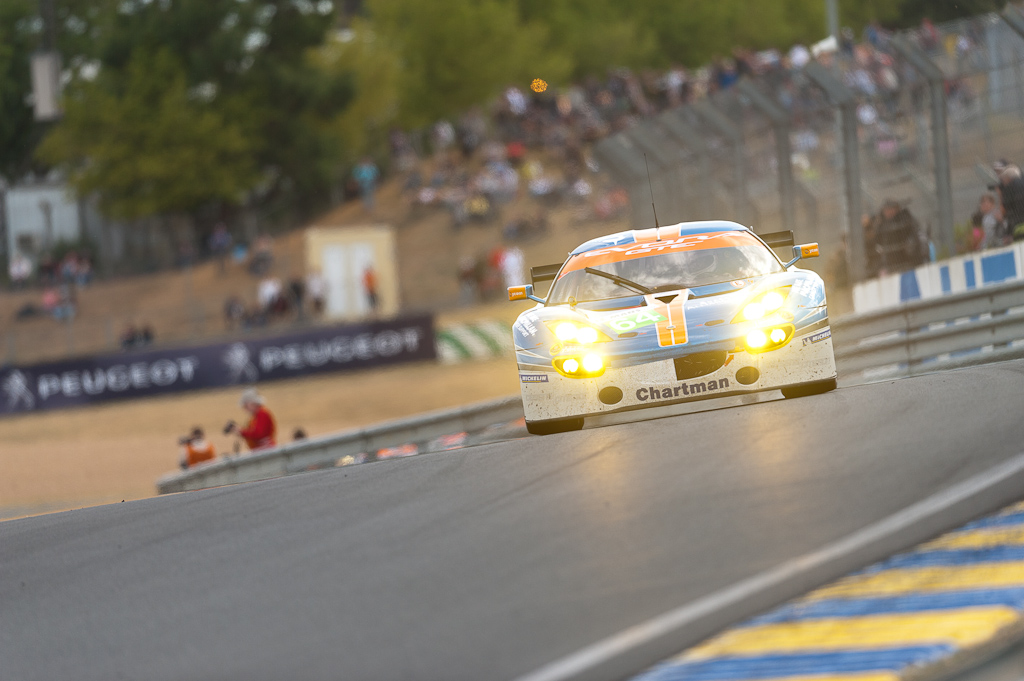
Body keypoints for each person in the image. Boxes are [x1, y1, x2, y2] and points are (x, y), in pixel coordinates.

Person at [870, 200, 926, 275]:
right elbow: (877, 242)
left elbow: (916, 238)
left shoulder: (905, 219)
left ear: (897, 209)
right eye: (886, 210)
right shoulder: (881, 224)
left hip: (909, 262)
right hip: (890, 265)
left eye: (890, 209)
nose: (888, 212)